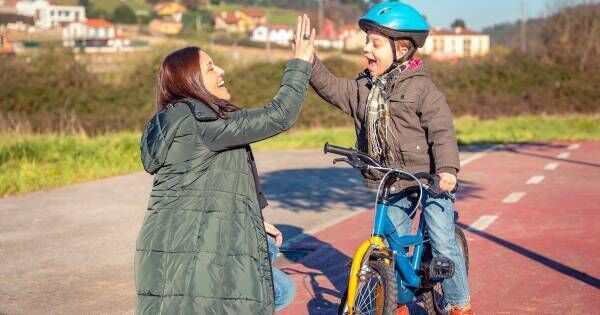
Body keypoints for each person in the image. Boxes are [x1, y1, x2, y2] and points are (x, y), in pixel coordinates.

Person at [134, 15, 315, 314]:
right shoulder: (202, 120)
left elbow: (209, 186)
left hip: (168, 244)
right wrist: (300, 63)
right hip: (194, 248)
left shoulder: (181, 121)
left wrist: (253, 219)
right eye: (210, 67)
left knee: (278, 286)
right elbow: (279, 114)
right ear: (191, 81)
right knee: (254, 293)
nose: (221, 70)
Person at [308, 2, 473, 314]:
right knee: (391, 244)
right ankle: (395, 300)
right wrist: (309, 62)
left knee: (441, 236)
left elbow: (442, 131)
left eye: (375, 43)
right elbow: (331, 88)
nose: (366, 48)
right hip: (393, 178)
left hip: (431, 177)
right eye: (366, 42)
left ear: (401, 49)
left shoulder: (422, 87)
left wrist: (448, 169)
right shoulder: (363, 88)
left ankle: (458, 303)